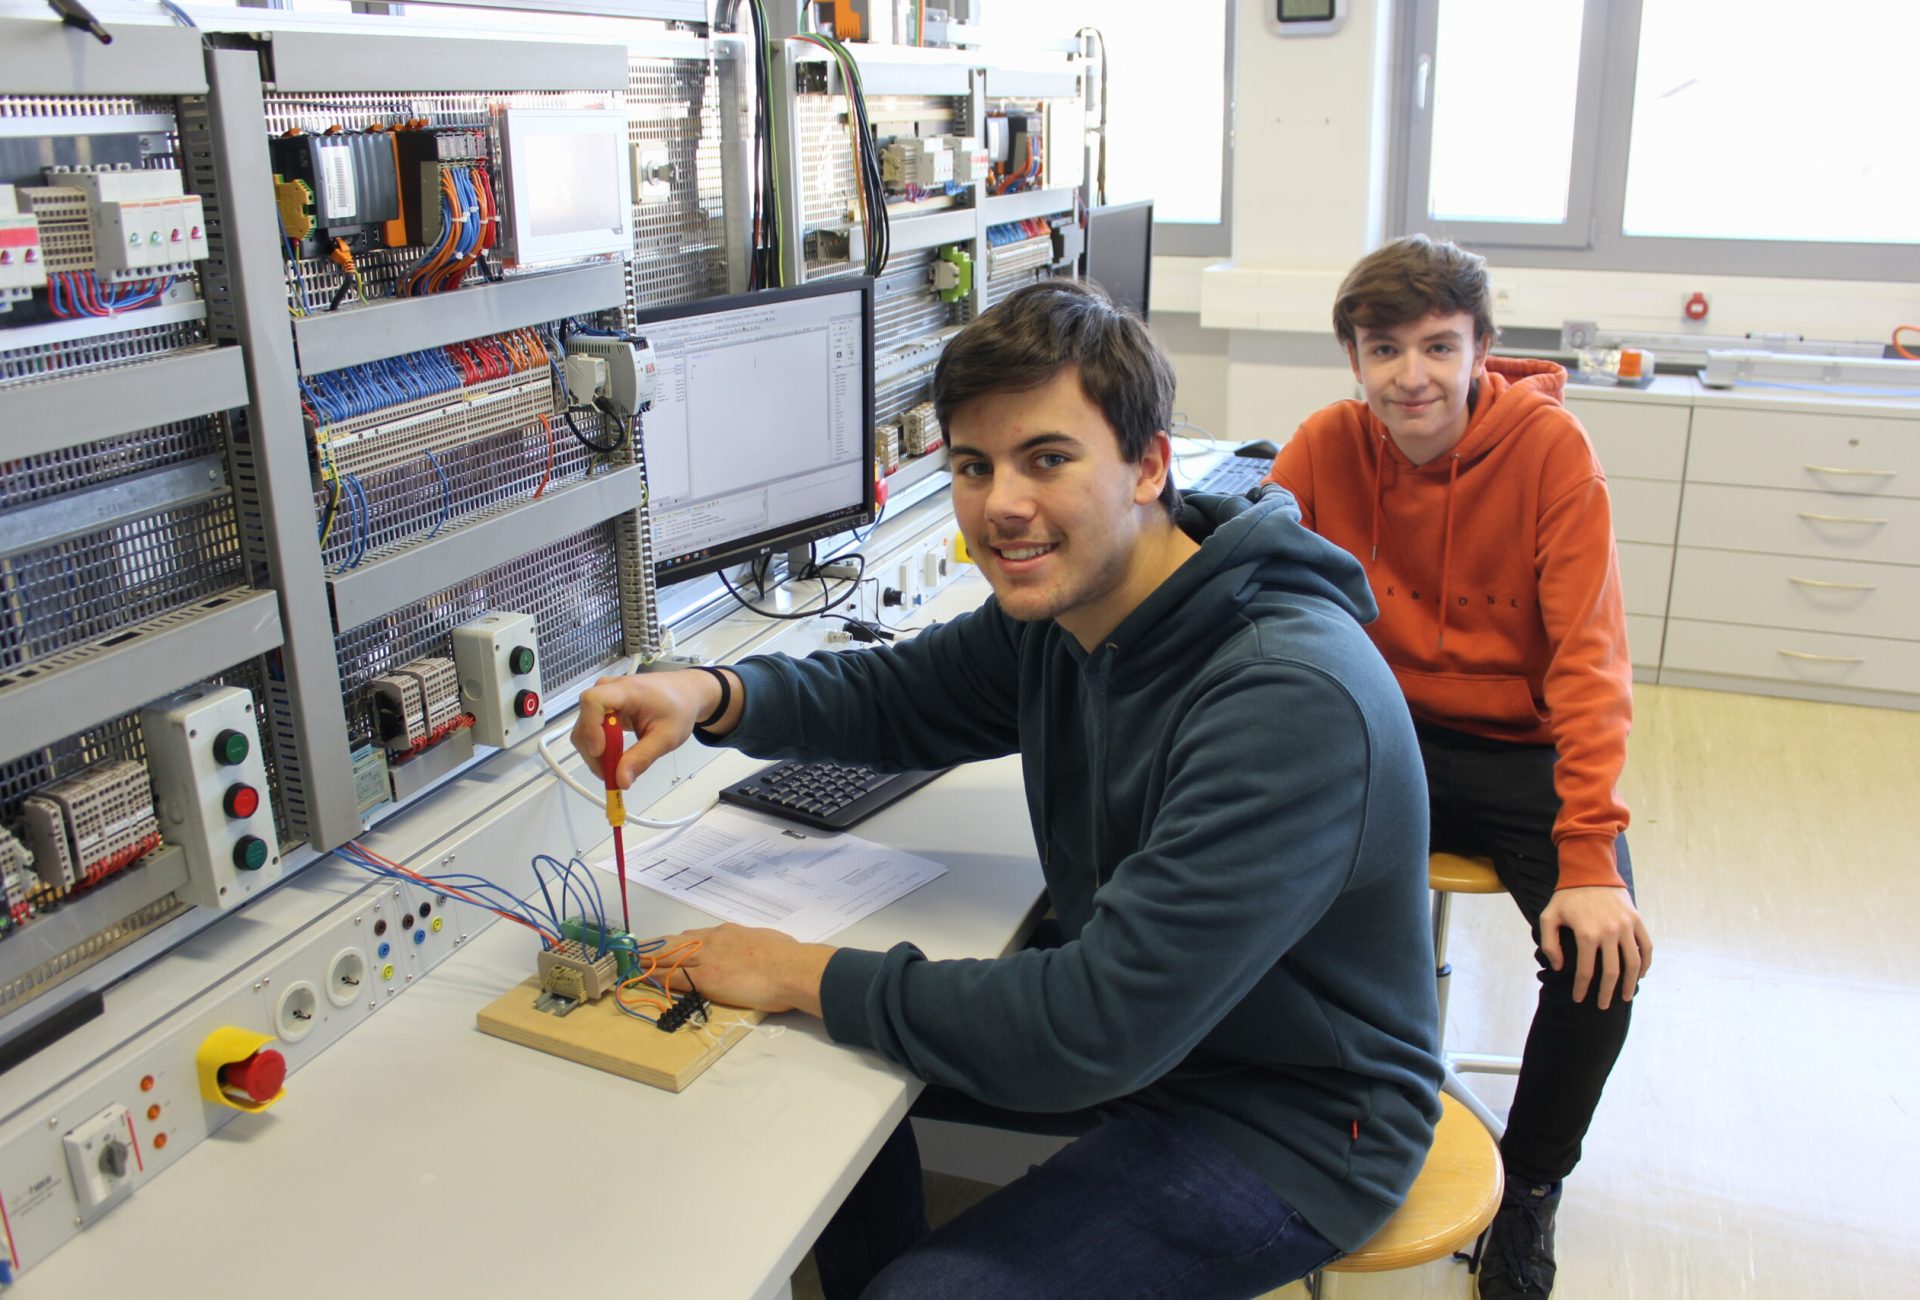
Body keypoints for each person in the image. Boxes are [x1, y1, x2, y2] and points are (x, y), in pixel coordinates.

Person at [575, 279, 1442, 1299]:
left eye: (1047, 458)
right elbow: (901, 696)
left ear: (1149, 465)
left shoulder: (1284, 695)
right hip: (1167, 1037)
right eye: (974, 466)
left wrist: (798, 968)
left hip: (1293, 1118)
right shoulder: (1076, 610)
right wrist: (712, 693)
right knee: (803, 1061)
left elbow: (1092, 1027)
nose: (1002, 506)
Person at [1263, 234, 1655, 1299]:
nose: (1412, 376)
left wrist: (1590, 858)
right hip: (1382, 729)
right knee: (1245, 886)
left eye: (1438, 346)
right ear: (1353, 357)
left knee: (1600, 963)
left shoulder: (1550, 452)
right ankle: (1308, 1121)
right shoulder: (1327, 445)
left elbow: (1590, 661)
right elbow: (1249, 576)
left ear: (1482, 348)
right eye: (1384, 349)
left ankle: (1530, 1185)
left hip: (1522, 749)